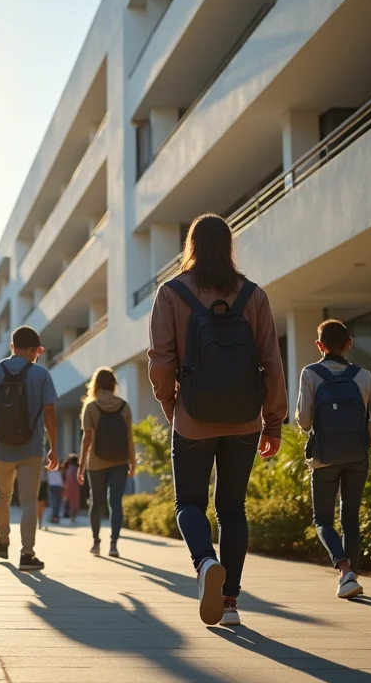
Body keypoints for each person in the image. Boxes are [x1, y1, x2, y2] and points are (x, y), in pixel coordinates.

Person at [148, 213, 286, 627]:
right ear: (228, 246)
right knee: (232, 509)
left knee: (189, 502)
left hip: (192, 416)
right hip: (244, 420)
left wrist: (173, 407)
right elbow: (271, 362)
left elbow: (160, 361)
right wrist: (273, 422)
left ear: (190, 245)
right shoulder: (253, 295)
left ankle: (205, 562)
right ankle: (230, 605)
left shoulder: (171, 293)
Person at [296, 319, 371, 600]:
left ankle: (345, 570)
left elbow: (303, 420)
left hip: (324, 458)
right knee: (350, 517)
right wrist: (362, 441)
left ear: (319, 345)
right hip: (357, 457)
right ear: (349, 344)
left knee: (322, 519)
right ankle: (351, 578)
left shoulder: (310, 374)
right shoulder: (363, 376)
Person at [0, 326, 59, 572]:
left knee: (3, 495)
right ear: (37, 351)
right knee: (29, 500)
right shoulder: (41, 374)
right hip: (31, 447)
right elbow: (50, 413)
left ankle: (2, 541)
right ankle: (27, 554)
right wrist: (53, 448)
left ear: (12, 346)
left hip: (0, 447)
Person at [77, 367, 136, 558]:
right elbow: (129, 437)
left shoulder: (91, 407)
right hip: (120, 460)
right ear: (113, 384)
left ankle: (96, 543)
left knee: (96, 502)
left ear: (95, 384)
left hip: (96, 461)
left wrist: (81, 465)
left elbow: (87, 438)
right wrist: (132, 461)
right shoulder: (124, 406)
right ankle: (113, 544)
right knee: (116, 503)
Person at [62, 454, 80, 524]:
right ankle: (73, 518)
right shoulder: (75, 469)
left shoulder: (68, 469)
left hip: (68, 487)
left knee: (69, 502)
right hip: (75, 487)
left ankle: (72, 517)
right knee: (75, 503)